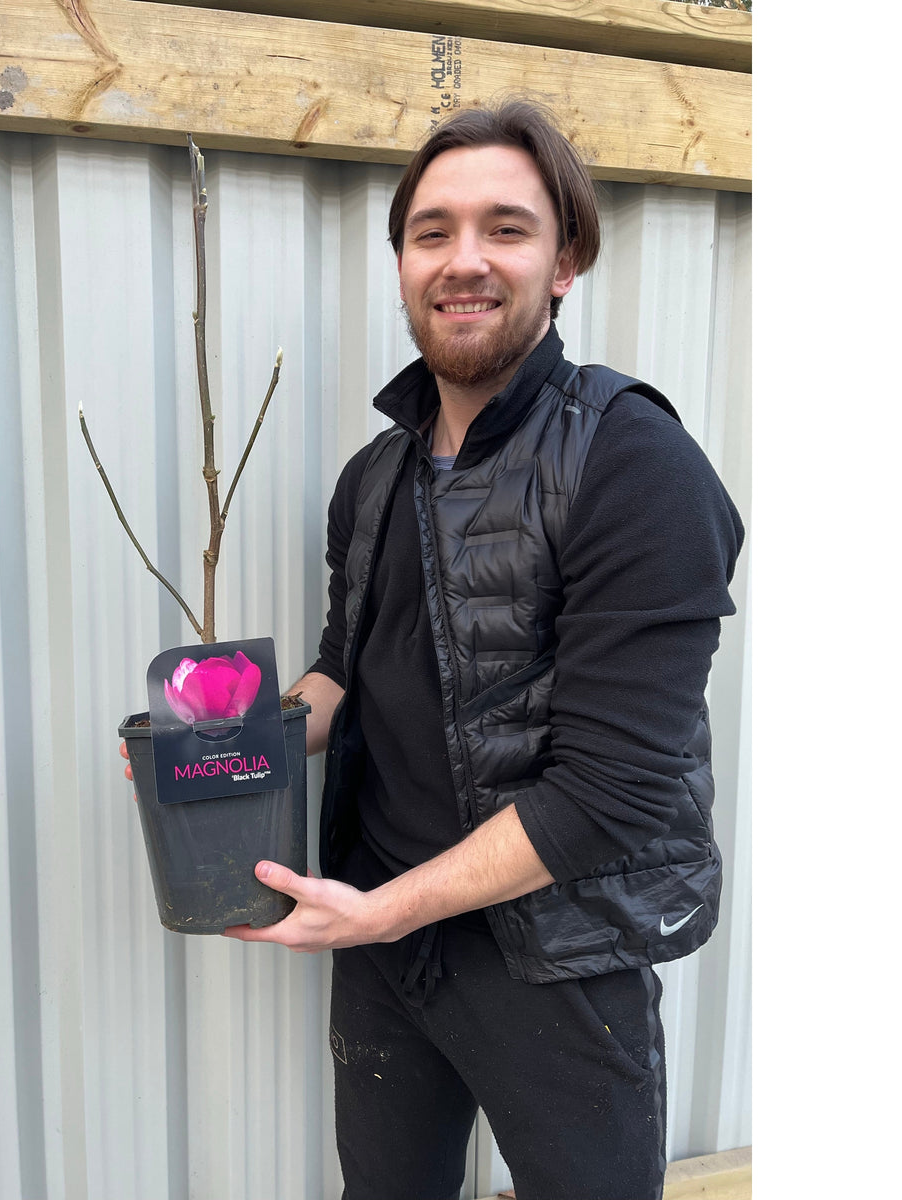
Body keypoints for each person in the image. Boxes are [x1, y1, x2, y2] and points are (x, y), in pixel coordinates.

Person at [124, 99, 744, 1200]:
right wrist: (225, 739)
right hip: (383, 943)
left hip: (556, 956)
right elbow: (342, 676)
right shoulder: (376, 475)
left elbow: (614, 791)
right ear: (404, 262)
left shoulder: (635, 464)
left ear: (567, 260)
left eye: (506, 227)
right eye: (432, 231)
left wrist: (384, 908)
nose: (464, 261)